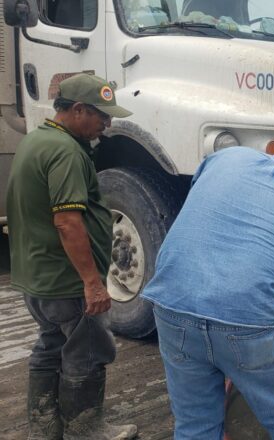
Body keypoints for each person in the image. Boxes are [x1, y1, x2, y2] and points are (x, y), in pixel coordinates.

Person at [141, 143, 274, 439]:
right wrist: (255, 354)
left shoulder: (225, 158)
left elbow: (202, 212)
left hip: (171, 304)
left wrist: (216, 350)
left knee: (194, 424)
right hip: (251, 319)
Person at [5, 73, 137, 439]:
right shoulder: (66, 152)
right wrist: (93, 284)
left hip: (38, 279)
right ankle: (86, 429)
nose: (106, 126)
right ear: (78, 110)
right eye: (101, 116)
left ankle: (45, 428)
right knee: (87, 351)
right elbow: (67, 221)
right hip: (68, 282)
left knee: (51, 346)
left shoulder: (36, 141)